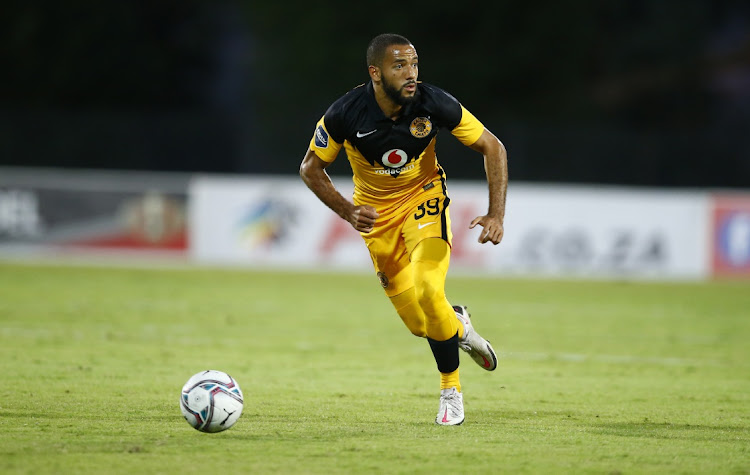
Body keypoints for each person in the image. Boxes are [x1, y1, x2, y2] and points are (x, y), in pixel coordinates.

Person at [299, 33, 508, 425]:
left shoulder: (433, 103)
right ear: (375, 73)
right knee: (421, 324)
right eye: (400, 66)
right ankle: (458, 323)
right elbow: (311, 168)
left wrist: (496, 214)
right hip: (378, 222)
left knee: (430, 290)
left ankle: (451, 392)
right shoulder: (345, 114)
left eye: (414, 64)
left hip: (423, 200)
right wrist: (347, 211)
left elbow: (493, 147)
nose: (411, 74)